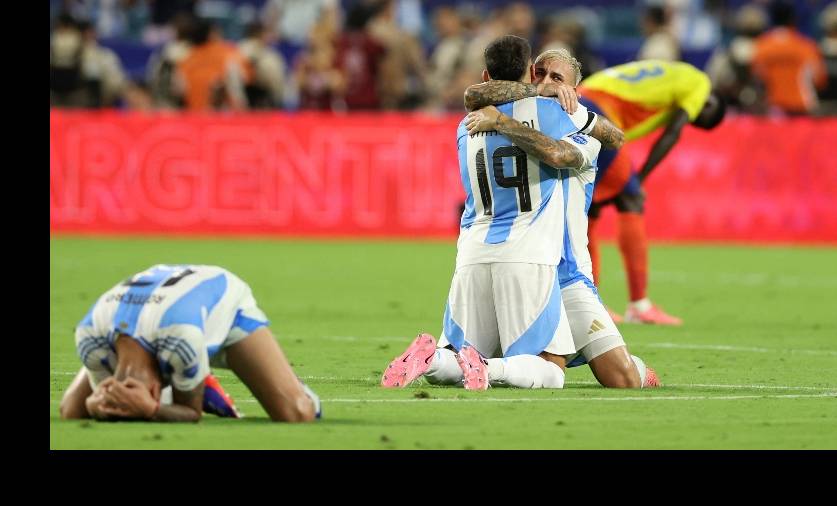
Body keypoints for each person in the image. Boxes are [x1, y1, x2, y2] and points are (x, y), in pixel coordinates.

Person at [383, 35, 604, 391]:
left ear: (485, 75)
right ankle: (490, 370)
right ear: (532, 73)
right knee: (551, 368)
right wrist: (574, 106)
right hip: (527, 256)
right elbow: (587, 144)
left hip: (472, 253)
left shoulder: (465, 124)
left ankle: (431, 360)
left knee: (458, 353)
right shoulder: (552, 114)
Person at [465, 58, 725, 325]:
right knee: (630, 197)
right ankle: (637, 304)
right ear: (709, 103)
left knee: (591, 207)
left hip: (585, 97)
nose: (693, 118)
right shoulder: (700, 86)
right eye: (698, 117)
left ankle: (588, 298)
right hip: (599, 112)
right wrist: (643, 176)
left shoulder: (678, 71)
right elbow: (672, 133)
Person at [59, 264, 321, 423]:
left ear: (156, 388)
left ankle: (202, 378)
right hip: (162, 313)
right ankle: (194, 378)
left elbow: (190, 413)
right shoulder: (89, 335)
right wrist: (98, 404)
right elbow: (105, 400)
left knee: (297, 413)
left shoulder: (180, 340)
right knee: (72, 409)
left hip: (224, 307)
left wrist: (151, 409)